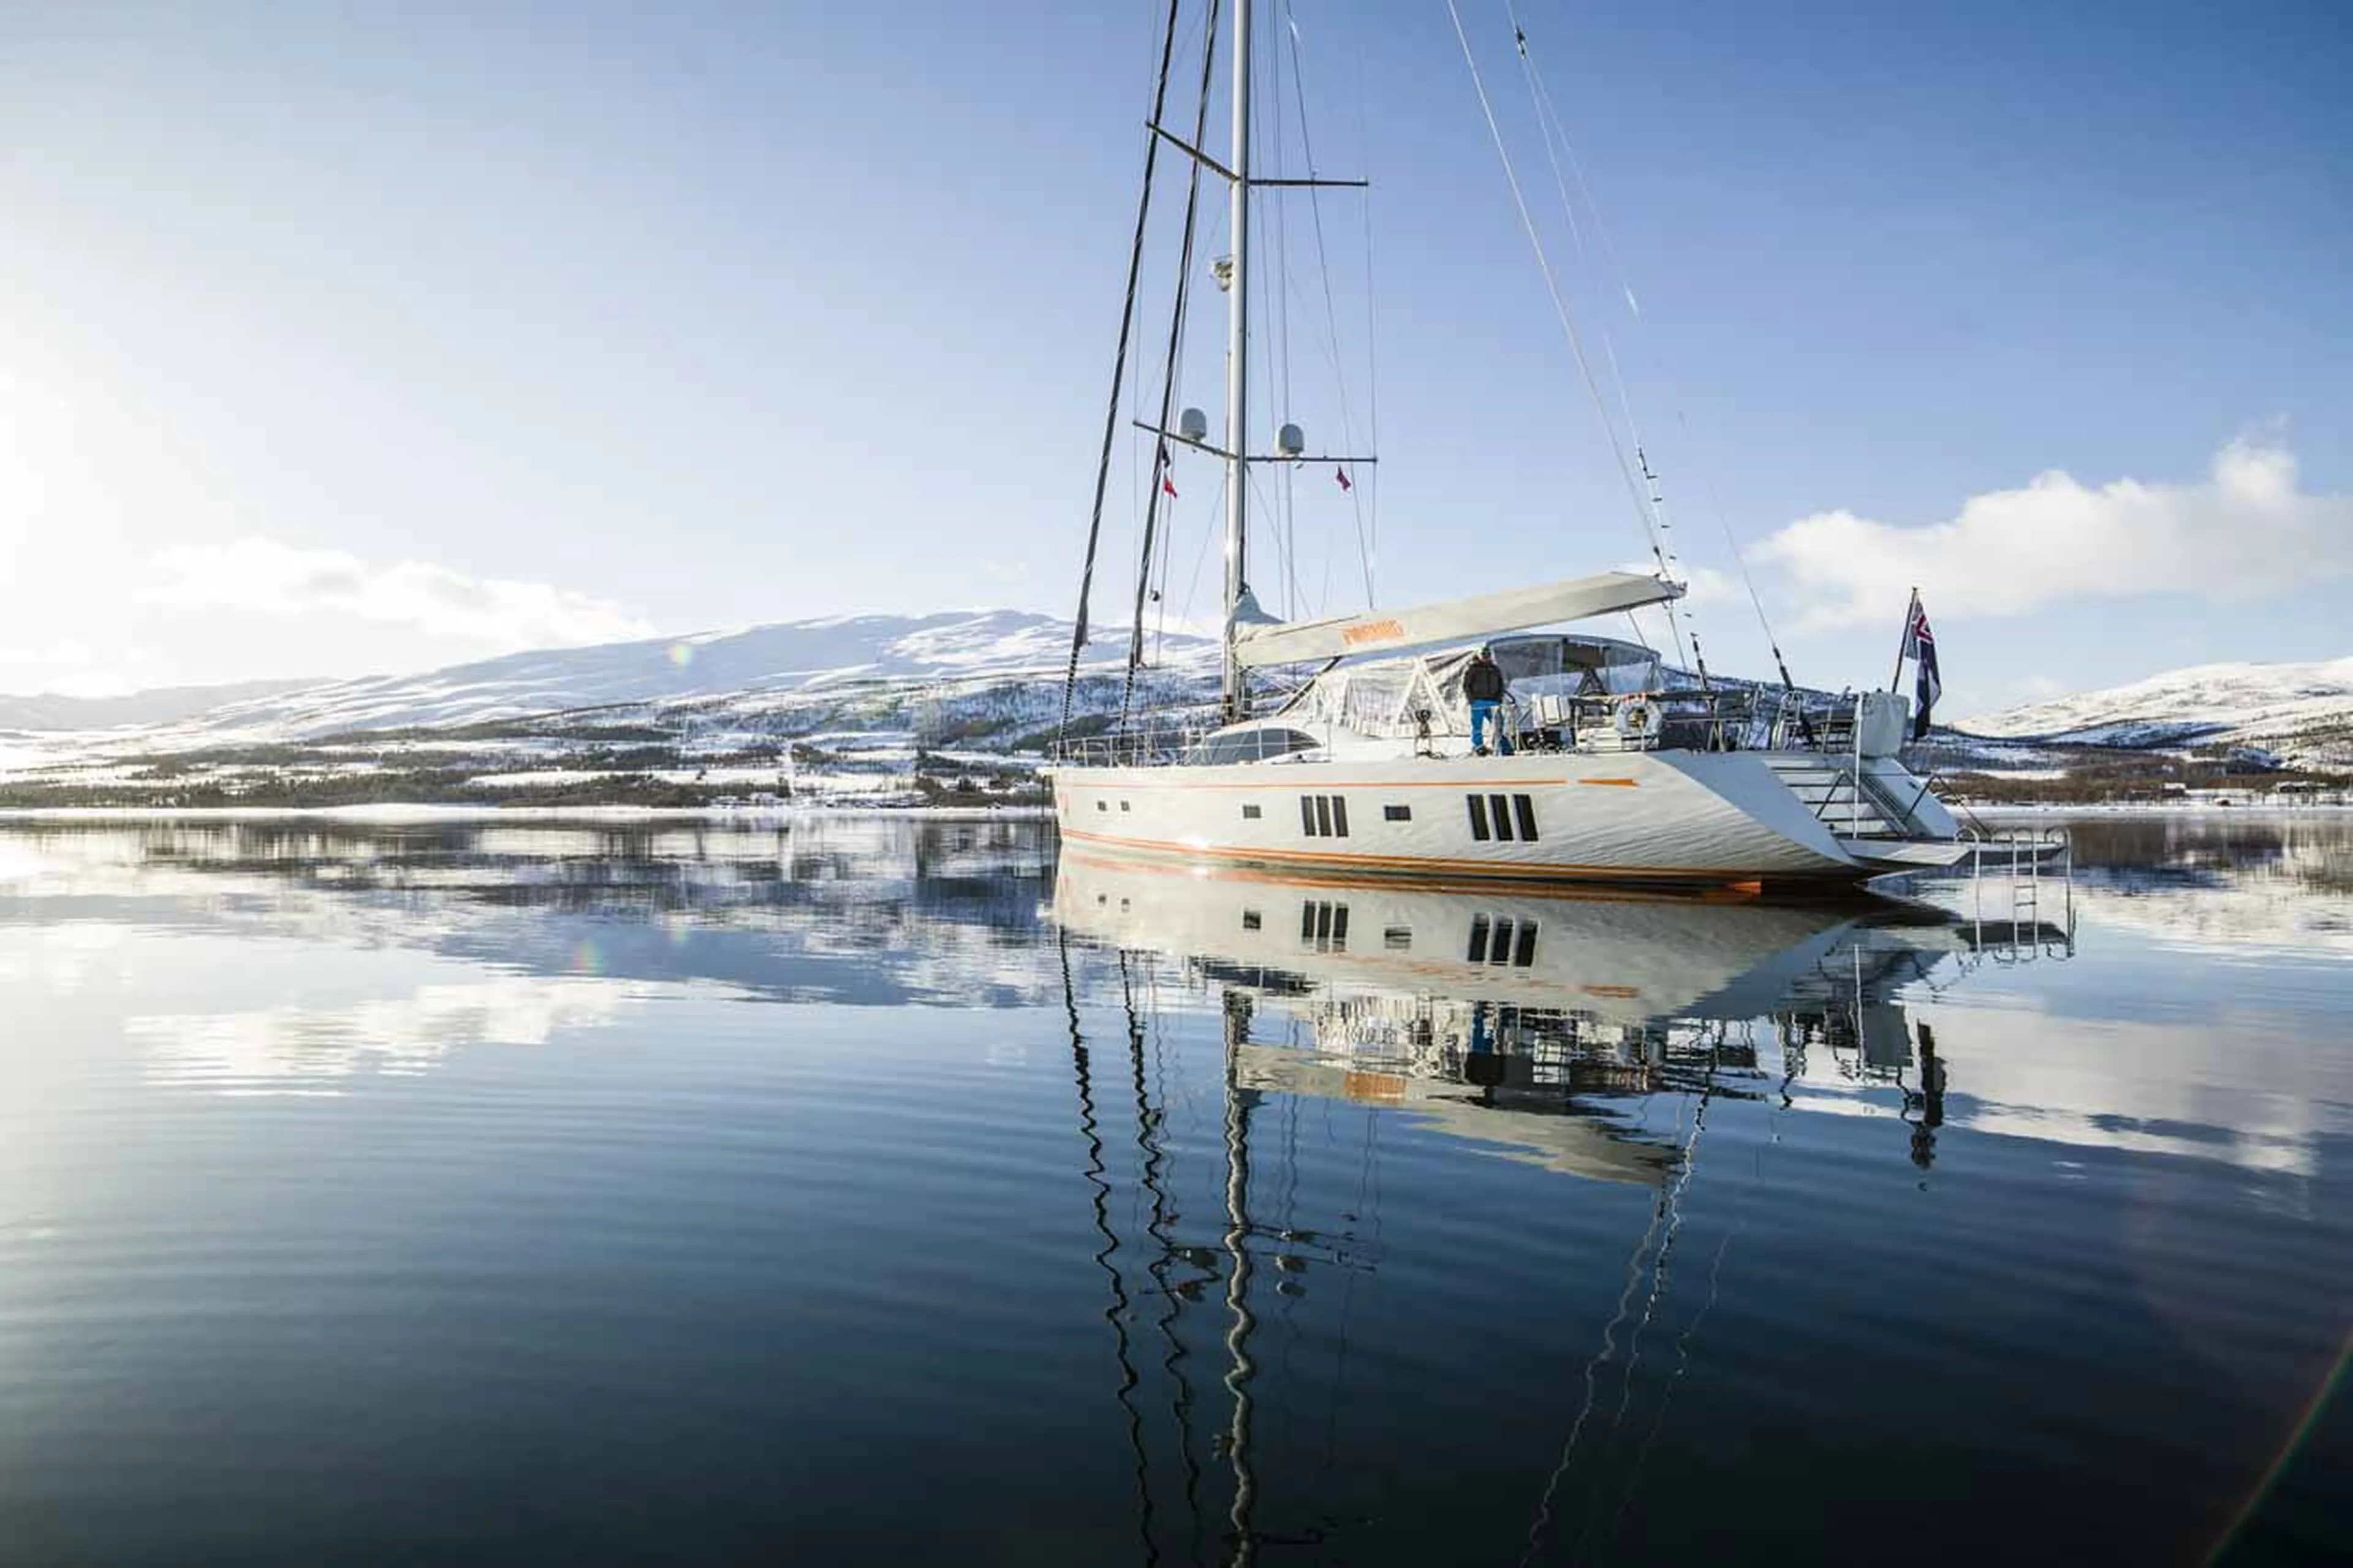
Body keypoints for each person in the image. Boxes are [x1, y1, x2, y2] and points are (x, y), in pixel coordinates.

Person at [1463, 645, 1511, 756]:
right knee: (1477, 726)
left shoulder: (1495, 669)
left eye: (1488, 655)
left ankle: (1502, 746)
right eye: (1484, 655)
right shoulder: (1473, 669)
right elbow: (1467, 685)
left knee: (1498, 725)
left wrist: (1499, 698)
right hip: (1478, 702)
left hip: (1493, 701)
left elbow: (1501, 685)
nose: (1486, 657)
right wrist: (1472, 699)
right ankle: (1479, 746)